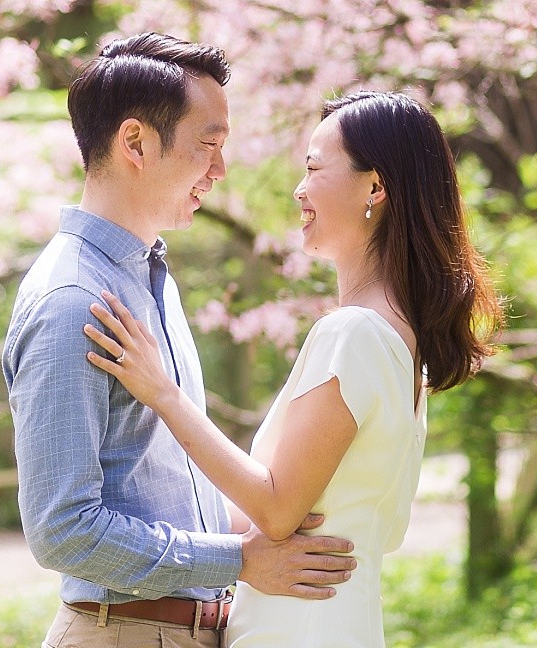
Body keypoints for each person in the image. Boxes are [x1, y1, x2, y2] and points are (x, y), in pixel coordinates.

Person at [85, 90, 502, 647]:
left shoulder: (352, 334)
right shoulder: (403, 348)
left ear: (375, 187)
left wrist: (164, 395)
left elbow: (278, 511)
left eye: (313, 168)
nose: (299, 190)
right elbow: (297, 520)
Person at [3, 33, 361, 648]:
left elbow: (160, 488)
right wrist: (239, 560)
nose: (220, 170)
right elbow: (62, 529)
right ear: (136, 142)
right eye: (208, 145)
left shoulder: (148, 278)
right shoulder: (73, 301)